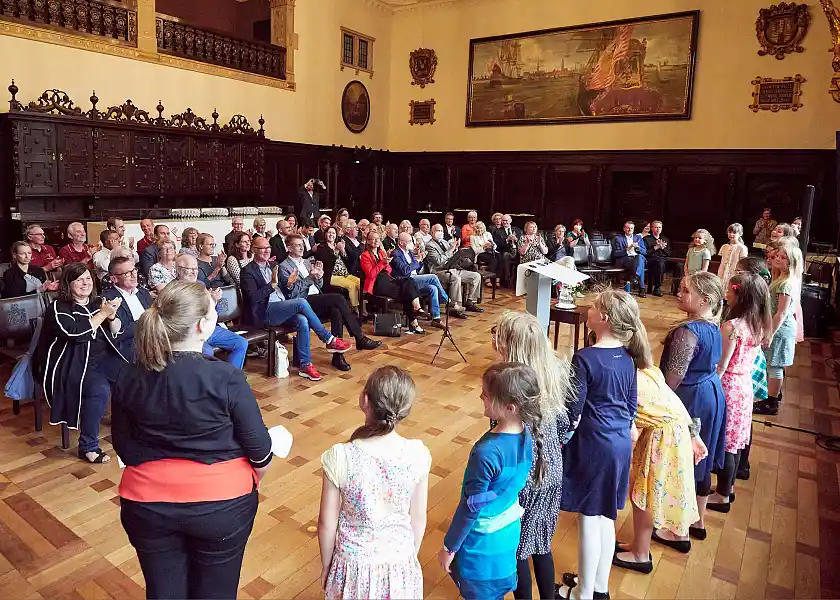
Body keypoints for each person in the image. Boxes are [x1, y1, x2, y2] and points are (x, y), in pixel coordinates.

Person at [113, 281, 274, 599]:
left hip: (147, 505)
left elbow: (125, 449)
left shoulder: (129, 375)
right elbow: (261, 454)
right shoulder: (226, 377)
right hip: (222, 505)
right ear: (202, 325)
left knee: (164, 592)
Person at [556, 289, 642, 600]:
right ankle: (598, 586)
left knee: (589, 519)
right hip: (618, 445)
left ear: (603, 318)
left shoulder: (585, 358)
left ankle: (582, 593)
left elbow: (573, 414)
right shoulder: (628, 357)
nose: (588, 309)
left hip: (593, 446)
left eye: (593, 306)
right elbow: (631, 406)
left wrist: (557, 441)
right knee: (606, 517)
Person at [318, 366, 429, 599]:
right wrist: (407, 560)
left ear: (365, 400)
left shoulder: (341, 456)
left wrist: (327, 566)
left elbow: (327, 524)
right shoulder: (418, 454)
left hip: (352, 568)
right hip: (401, 566)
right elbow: (418, 519)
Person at [438, 363, 541, 600]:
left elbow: (470, 508)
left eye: (485, 394)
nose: (480, 397)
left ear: (509, 407)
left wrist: (449, 547)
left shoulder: (487, 452)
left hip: (481, 548)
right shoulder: (527, 434)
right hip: (508, 536)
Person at [492, 312, 573, 600]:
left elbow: (501, 436)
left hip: (523, 477)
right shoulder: (554, 375)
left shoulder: (508, 386)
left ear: (510, 346)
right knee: (541, 544)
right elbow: (564, 426)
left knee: (518, 549)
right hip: (551, 471)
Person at [612, 366, 705, 570]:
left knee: (643, 496)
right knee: (643, 494)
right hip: (671, 433)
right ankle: (640, 546)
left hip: (664, 438)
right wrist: (694, 435)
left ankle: (640, 554)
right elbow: (674, 402)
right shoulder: (649, 370)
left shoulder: (624, 377)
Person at [34, 263, 128, 463]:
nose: (85, 283)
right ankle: (88, 446)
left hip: (102, 357)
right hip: (71, 362)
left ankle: (127, 427)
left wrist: (112, 316)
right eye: (79, 280)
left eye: (88, 278)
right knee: (99, 390)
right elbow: (74, 334)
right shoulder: (58, 307)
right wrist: (102, 314)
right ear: (68, 283)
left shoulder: (98, 302)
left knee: (133, 375)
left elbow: (117, 330)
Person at [660, 272, 726, 542]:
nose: (679, 293)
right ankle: (698, 522)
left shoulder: (688, 332)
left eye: (686, 290)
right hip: (710, 392)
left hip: (692, 399)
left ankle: (679, 533)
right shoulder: (713, 326)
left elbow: (671, 380)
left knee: (685, 461)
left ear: (705, 300)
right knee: (702, 461)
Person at [240, 236, 352, 381]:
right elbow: (253, 298)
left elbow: (287, 291)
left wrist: (289, 284)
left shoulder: (274, 265)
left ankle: (305, 365)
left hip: (281, 307)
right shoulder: (248, 271)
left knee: (302, 320)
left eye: (268, 247)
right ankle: (328, 338)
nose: (267, 251)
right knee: (301, 303)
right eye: (262, 248)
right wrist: (271, 285)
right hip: (264, 312)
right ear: (254, 250)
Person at [705, 273, 770, 513]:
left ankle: (722, 496)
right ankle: (727, 489)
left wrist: (709, 384)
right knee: (735, 442)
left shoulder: (732, 327)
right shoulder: (758, 324)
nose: (725, 294)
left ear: (739, 295)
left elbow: (721, 365)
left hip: (729, 385)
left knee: (726, 444)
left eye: (728, 291)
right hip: (744, 385)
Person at [278, 234, 380, 371]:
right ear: (289, 248)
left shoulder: (307, 262)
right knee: (338, 298)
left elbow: (318, 285)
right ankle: (359, 337)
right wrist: (310, 278)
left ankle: (338, 357)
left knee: (336, 311)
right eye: (297, 245)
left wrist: (319, 276)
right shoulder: (284, 266)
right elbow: (291, 293)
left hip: (316, 299)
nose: (302, 247)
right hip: (302, 302)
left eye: (302, 244)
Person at [175, 254, 252, 369]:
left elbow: (215, 312)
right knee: (207, 352)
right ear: (178, 270)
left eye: (196, 268)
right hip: (189, 332)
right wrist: (210, 301)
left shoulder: (200, 284)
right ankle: (205, 379)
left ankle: (231, 376)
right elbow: (182, 318)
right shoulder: (172, 290)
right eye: (189, 269)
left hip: (209, 328)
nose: (194, 272)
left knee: (241, 343)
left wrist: (214, 301)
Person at [754, 237, 802, 416]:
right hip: (777, 328)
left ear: (791, 262)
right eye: (777, 256)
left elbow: (781, 313)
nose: (776, 259)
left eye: (782, 257)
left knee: (774, 365)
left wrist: (770, 334)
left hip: (781, 330)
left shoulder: (786, 283)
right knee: (772, 364)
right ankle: (772, 394)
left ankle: (771, 402)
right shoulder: (781, 278)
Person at [360, 231, 425, 335]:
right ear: (368, 241)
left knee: (409, 281)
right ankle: (414, 322)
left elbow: (389, 270)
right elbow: (371, 274)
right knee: (406, 292)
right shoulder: (365, 255)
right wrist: (382, 263)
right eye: (373, 239)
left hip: (388, 279)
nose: (376, 241)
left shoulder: (382, 253)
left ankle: (417, 309)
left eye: (378, 238)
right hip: (376, 284)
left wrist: (386, 263)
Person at [391, 232, 450, 329]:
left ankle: (436, 319)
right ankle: (447, 301)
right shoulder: (395, 254)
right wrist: (417, 261)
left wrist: (420, 260)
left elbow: (415, 269)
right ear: (401, 243)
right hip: (405, 282)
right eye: (409, 241)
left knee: (433, 288)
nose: (412, 243)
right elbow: (405, 270)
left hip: (415, 278)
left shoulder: (409, 252)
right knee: (433, 277)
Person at [104, 256, 154, 360]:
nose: (133, 275)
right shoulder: (108, 299)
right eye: (127, 273)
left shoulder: (143, 293)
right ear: (114, 279)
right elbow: (119, 333)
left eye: (134, 270)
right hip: (130, 351)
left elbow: (155, 318)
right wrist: (146, 322)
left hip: (154, 341)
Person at [425, 224, 481, 315]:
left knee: (476, 276)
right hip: (439, 271)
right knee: (455, 278)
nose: (440, 233)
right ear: (432, 232)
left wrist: (456, 250)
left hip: (453, 268)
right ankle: (454, 307)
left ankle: (470, 301)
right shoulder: (429, 245)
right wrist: (451, 250)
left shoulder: (444, 242)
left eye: (441, 231)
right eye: (438, 231)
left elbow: (452, 256)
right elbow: (438, 261)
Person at [315, 226, 361, 311]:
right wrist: (336, 251)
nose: (331, 234)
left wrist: (343, 251)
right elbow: (328, 262)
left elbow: (347, 260)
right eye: (329, 232)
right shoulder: (321, 247)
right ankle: (355, 309)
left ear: (336, 235)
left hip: (344, 274)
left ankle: (361, 308)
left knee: (359, 282)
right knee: (352, 285)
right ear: (325, 234)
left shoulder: (338, 245)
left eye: (333, 233)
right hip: (332, 276)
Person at [612, 220, 647, 298]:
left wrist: (638, 248)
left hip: (637, 258)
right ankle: (641, 288)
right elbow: (615, 253)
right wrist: (627, 249)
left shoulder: (638, 237)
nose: (630, 230)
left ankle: (636, 277)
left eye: (632, 228)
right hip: (625, 258)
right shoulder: (618, 238)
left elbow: (644, 252)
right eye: (628, 228)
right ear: (624, 229)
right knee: (640, 264)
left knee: (640, 257)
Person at [717, 223, 748, 293]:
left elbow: (742, 262)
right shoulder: (724, 246)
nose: (731, 234)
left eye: (734, 233)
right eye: (730, 232)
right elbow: (722, 261)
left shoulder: (742, 247)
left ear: (740, 234)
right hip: (723, 271)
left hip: (734, 272)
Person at [643, 221, 670, 297]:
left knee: (661, 263)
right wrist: (656, 247)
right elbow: (645, 252)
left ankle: (657, 288)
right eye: (656, 227)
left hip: (662, 259)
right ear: (652, 228)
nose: (658, 229)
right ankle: (657, 288)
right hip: (650, 259)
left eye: (659, 227)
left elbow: (668, 253)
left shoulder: (665, 239)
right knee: (658, 264)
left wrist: (662, 247)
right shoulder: (646, 239)